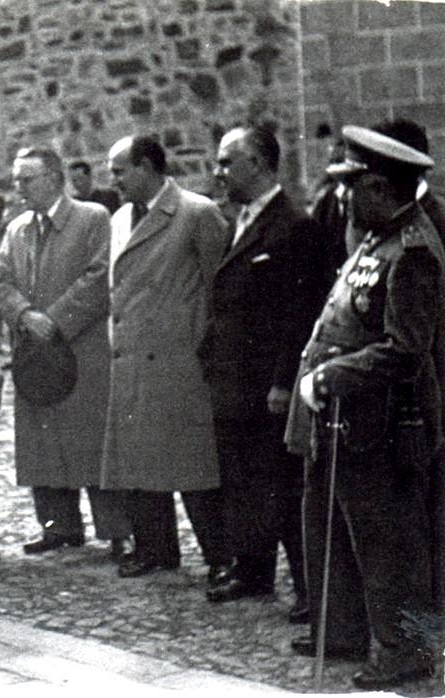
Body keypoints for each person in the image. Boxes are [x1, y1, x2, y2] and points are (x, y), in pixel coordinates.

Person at [285, 125, 445, 690]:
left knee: (390, 543)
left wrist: (332, 374)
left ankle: (409, 652)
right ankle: (347, 630)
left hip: (383, 423)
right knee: (344, 529)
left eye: (354, 186)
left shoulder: (415, 252)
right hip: (347, 418)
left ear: (379, 188)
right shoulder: (378, 240)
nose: (345, 197)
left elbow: (406, 349)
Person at [199, 126, 327, 622]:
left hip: (266, 386)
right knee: (243, 485)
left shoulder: (294, 226)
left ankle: (308, 589)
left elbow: (298, 312)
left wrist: (282, 381)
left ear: (257, 163)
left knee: (283, 486)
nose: (218, 172)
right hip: (232, 382)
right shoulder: (242, 220)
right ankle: (253, 571)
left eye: (227, 162)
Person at [99, 135, 232, 581]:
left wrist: (204, 352)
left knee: (194, 467)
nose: (112, 179)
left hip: (180, 362)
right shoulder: (120, 219)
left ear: (148, 167)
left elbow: (220, 293)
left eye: (119, 170)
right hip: (132, 358)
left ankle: (220, 556)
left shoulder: (196, 213)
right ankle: (155, 548)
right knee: (139, 464)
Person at [0, 146, 129, 561]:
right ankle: (58, 527)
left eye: (26, 179)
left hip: (82, 348)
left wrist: (54, 319)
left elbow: (100, 275)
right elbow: (2, 282)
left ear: (54, 178)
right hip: (35, 356)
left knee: (91, 440)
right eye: (16, 179)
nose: (18, 188)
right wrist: (23, 315)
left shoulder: (92, 219)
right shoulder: (16, 229)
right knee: (42, 441)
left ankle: (116, 532)